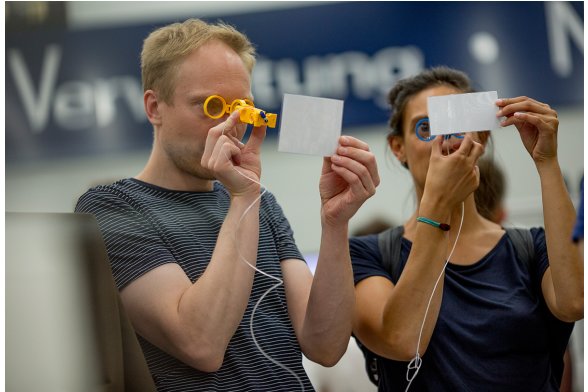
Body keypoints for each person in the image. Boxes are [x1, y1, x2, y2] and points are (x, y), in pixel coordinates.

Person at [75, 19, 380, 391]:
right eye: (211, 105)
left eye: (241, 107)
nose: (230, 126)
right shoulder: (113, 207)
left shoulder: (262, 204)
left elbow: (327, 345)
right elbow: (201, 343)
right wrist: (242, 199)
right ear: (155, 107)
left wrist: (335, 223)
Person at [349, 66, 583, 391]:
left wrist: (546, 160)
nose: (444, 140)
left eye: (456, 123)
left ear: (482, 137)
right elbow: (402, 339)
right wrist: (437, 203)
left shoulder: (529, 248)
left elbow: (574, 302)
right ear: (398, 147)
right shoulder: (368, 254)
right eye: (425, 127)